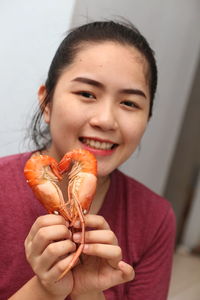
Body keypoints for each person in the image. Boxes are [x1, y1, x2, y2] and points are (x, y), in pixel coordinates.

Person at [0, 20, 176, 300]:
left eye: (129, 103)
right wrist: (45, 288)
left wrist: (89, 291)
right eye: (86, 94)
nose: (106, 120)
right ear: (47, 103)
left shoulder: (155, 218)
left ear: (148, 119)